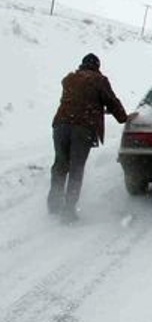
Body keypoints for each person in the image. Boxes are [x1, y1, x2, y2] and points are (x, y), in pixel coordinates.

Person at [48, 53, 128, 221]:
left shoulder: (69, 79)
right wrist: (123, 118)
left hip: (61, 125)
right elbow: (111, 101)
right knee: (76, 168)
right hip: (82, 128)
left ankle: (54, 203)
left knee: (60, 163)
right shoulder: (99, 80)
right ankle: (68, 211)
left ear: (82, 65)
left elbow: (78, 99)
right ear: (97, 66)